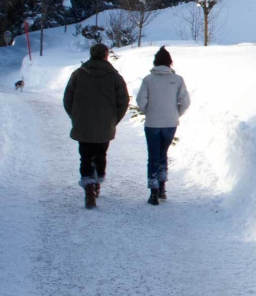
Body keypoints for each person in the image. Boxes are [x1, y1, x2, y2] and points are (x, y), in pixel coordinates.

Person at [62, 42, 129, 209]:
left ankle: (89, 189)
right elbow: (123, 101)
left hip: (83, 123)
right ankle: (97, 182)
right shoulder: (114, 76)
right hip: (105, 124)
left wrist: (75, 116)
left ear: (91, 54)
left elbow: (67, 99)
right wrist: (114, 119)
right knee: (100, 154)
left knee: (85, 156)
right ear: (106, 55)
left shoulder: (78, 74)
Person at [135, 46, 191, 206]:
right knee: (163, 154)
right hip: (170, 123)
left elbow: (141, 101)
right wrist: (175, 113)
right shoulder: (178, 80)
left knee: (153, 156)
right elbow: (185, 101)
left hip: (152, 123)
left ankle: (153, 191)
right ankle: (162, 188)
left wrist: (148, 111)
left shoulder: (148, 79)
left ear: (155, 62)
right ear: (169, 63)